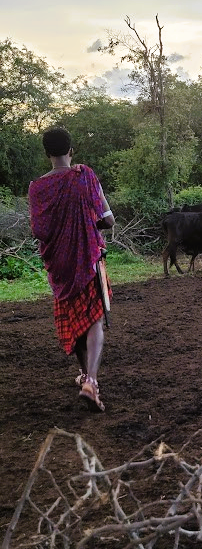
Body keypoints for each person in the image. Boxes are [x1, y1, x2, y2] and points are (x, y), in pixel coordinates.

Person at [28, 126, 115, 412]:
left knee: (75, 322)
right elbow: (108, 220)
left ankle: (85, 377)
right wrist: (87, 225)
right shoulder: (84, 176)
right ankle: (92, 381)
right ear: (71, 151)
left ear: (47, 153)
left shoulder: (37, 187)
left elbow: (40, 231)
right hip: (88, 260)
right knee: (94, 320)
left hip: (60, 267)